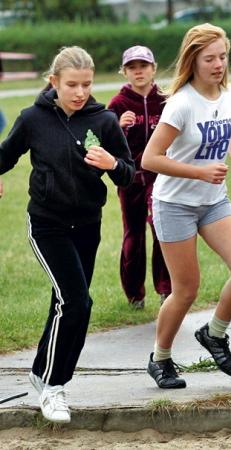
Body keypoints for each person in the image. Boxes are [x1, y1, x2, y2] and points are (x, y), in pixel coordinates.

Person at [0, 46, 134, 422]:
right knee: (76, 301)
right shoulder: (32, 119)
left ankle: (43, 374)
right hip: (47, 224)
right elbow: (5, 156)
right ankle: (53, 386)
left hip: (88, 224)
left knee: (70, 303)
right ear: (54, 82)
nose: (80, 92)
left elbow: (128, 173)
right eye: (72, 84)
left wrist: (112, 163)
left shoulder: (104, 121)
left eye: (86, 84)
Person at [141, 23, 231, 389]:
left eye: (222, 56)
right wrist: (199, 171)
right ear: (193, 60)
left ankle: (215, 334)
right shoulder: (181, 104)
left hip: (213, 201)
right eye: (209, 58)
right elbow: (150, 159)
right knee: (186, 290)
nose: (218, 64)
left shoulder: (230, 95)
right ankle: (160, 359)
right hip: (174, 204)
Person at [108, 45, 172, 310]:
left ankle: (166, 289)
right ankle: (135, 295)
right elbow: (106, 144)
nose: (138, 71)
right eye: (132, 67)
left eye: (143, 66)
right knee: (133, 236)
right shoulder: (118, 104)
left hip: (161, 177)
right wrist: (118, 127)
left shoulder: (166, 99)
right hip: (131, 179)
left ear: (153, 69)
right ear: (124, 72)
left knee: (161, 228)